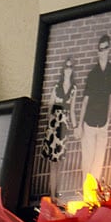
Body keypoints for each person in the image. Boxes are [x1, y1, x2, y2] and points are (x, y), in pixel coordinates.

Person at [76, 34, 111, 183]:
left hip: (103, 122)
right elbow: (85, 100)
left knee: (99, 159)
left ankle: (94, 194)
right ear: (98, 51)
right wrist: (79, 125)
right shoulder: (93, 74)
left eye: (106, 48)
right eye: (101, 49)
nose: (103, 51)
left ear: (109, 49)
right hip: (90, 121)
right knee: (88, 159)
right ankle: (85, 191)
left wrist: (109, 118)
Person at [41, 57, 77, 200]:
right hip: (54, 126)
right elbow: (50, 106)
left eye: (70, 67)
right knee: (52, 165)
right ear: (63, 70)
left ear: (72, 70)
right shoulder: (56, 87)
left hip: (64, 127)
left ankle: (57, 194)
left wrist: (75, 127)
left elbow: (72, 109)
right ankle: (52, 196)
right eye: (66, 67)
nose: (68, 69)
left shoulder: (74, 89)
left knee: (60, 163)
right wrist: (49, 127)